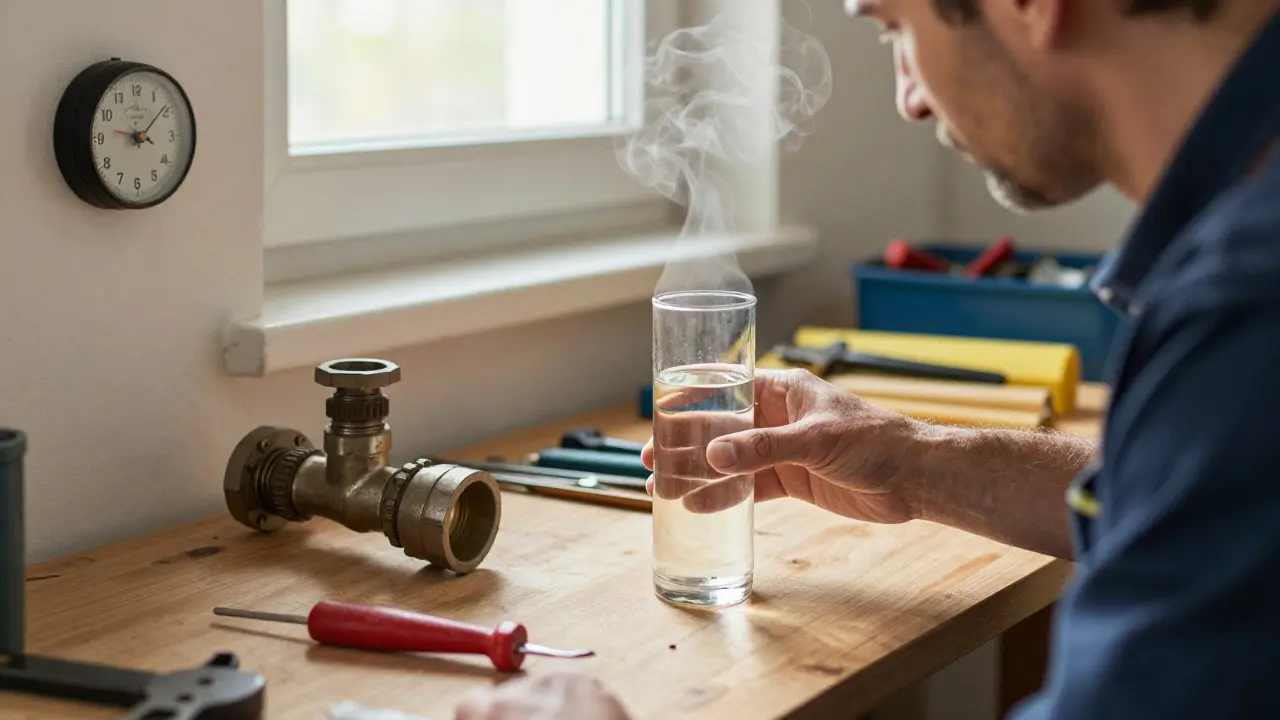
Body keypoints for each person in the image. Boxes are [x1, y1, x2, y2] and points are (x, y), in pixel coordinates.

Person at [454, 0, 1280, 717]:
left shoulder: (1244, 310)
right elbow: (1186, 501)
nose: (910, 100)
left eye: (895, 29)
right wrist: (914, 463)